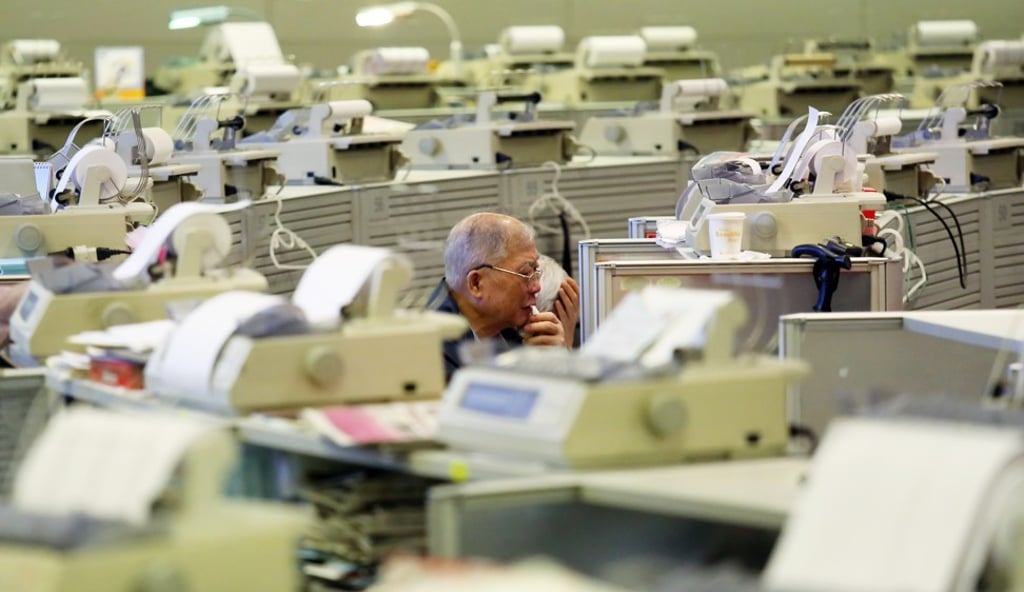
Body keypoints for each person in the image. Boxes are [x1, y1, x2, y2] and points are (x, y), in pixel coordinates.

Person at [433, 212, 579, 381]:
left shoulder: (507, 328)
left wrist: (559, 359)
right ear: (476, 284)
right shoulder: (432, 355)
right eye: (525, 273)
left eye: (535, 271)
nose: (536, 287)